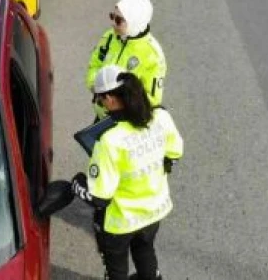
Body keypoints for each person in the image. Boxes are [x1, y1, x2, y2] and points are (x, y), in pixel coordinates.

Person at [71, 67, 184, 280]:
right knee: (145, 251)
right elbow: (174, 154)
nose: (100, 104)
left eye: (100, 98)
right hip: (154, 211)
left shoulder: (109, 141)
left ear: (112, 99)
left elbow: (100, 197)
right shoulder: (160, 116)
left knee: (116, 271)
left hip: (121, 222)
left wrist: (76, 184)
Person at [87, 0, 165, 120]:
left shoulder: (152, 54)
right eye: (112, 16)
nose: (113, 23)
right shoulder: (109, 37)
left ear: (135, 21)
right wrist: (97, 86)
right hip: (103, 115)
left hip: (127, 121)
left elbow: (153, 99)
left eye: (118, 20)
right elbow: (94, 64)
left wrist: (119, 104)